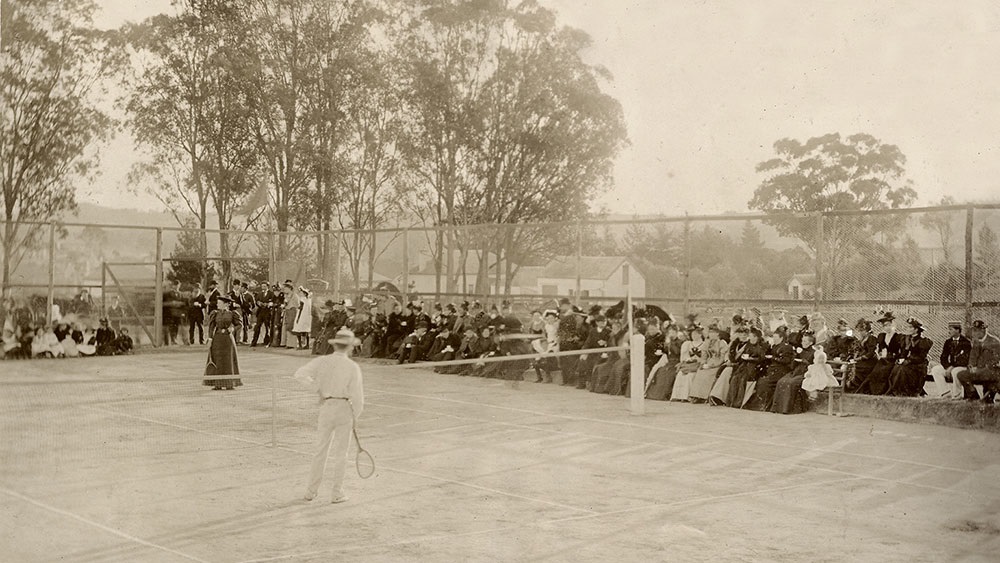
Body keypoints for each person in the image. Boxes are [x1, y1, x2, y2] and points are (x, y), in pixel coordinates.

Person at [294, 328, 364, 504]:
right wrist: (355, 416)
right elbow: (357, 396)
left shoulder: (323, 361)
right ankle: (337, 493)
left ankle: (311, 491)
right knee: (341, 454)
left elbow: (300, 375)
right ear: (349, 347)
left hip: (326, 407)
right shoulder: (352, 367)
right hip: (344, 409)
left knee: (320, 451)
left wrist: (318, 388)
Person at [771, 331, 816, 414]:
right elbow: (792, 364)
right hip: (796, 371)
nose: (803, 343)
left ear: (811, 343)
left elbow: (813, 365)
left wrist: (803, 360)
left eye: (805, 341)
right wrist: (796, 357)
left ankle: (787, 409)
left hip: (806, 373)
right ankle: (777, 408)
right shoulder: (800, 351)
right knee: (781, 381)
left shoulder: (814, 352)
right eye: (802, 341)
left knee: (791, 383)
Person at [887, 317, 933, 397]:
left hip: (918, 365)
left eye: (910, 327)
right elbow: (903, 353)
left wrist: (909, 361)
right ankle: (896, 390)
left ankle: (907, 391)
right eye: (907, 327)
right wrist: (899, 359)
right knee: (896, 367)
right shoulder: (905, 339)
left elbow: (921, 357)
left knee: (902, 369)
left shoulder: (923, 341)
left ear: (916, 330)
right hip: (907, 363)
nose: (907, 329)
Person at [956, 320, 1000, 403]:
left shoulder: (995, 342)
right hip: (978, 371)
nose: (974, 333)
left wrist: (981, 369)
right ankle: (974, 396)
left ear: (983, 330)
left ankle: (987, 398)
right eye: (973, 330)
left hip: (990, 371)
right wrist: (971, 367)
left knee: (990, 381)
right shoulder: (976, 342)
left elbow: (995, 360)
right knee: (961, 375)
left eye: (976, 331)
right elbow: (972, 357)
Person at [203, 296, 242, 390]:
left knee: (228, 361)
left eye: (219, 303)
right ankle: (218, 384)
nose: (217, 304)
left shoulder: (232, 313)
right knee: (218, 360)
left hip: (228, 339)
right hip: (217, 339)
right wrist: (210, 339)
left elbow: (239, 324)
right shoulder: (215, 313)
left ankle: (230, 384)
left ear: (226, 304)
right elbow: (211, 327)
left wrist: (232, 329)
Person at [753, 326, 795, 411]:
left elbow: (786, 360)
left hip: (781, 370)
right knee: (761, 380)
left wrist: (773, 358)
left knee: (764, 382)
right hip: (773, 369)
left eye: (775, 337)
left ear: (781, 338)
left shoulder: (786, 347)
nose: (774, 339)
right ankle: (762, 404)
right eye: (773, 337)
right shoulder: (774, 346)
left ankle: (764, 405)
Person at [861, 312, 903, 395]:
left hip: (893, 360)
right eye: (884, 326)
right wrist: (881, 353)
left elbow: (901, 352)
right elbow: (880, 349)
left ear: (893, 325)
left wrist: (894, 356)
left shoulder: (899, 337)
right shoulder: (882, 336)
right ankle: (875, 391)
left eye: (889, 325)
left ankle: (886, 391)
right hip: (884, 360)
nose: (887, 328)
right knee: (875, 373)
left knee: (886, 372)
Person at [930, 321, 972, 399]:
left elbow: (965, 359)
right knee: (936, 370)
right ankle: (945, 393)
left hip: (962, 367)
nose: (949, 331)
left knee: (955, 372)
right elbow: (943, 357)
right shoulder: (948, 342)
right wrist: (947, 367)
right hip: (950, 367)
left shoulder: (966, 342)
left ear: (957, 330)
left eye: (951, 329)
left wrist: (952, 367)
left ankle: (957, 395)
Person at [688, 325, 729, 403]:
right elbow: (704, 354)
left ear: (717, 334)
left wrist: (711, 365)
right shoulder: (707, 342)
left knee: (708, 374)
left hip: (717, 364)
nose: (711, 334)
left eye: (713, 333)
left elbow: (722, 358)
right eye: (710, 333)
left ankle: (704, 396)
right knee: (700, 372)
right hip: (708, 362)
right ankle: (697, 395)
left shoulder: (722, 343)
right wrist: (703, 362)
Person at [671, 326, 704, 402]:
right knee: (680, 374)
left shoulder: (703, 344)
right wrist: (688, 359)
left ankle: (687, 396)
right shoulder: (688, 344)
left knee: (690, 376)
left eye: (696, 334)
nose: (694, 336)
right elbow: (684, 356)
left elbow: (704, 357)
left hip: (697, 365)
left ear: (700, 335)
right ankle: (678, 396)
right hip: (689, 364)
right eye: (692, 334)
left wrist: (698, 360)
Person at [846, 319, 878, 392]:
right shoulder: (861, 339)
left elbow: (870, 353)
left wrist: (860, 358)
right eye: (859, 331)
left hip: (870, 361)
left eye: (862, 331)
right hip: (861, 360)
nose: (860, 333)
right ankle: (850, 386)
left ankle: (857, 387)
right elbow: (857, 350)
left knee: (857, 367)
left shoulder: (871, 338)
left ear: (866, 330)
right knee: (850, 365)